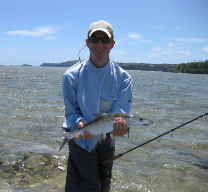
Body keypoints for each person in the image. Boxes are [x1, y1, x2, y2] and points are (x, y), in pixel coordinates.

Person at [61, 20, 132, 192]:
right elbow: (71, 114)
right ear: (87, 43)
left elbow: (120, 115)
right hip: (80, 137)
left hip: (106, 138)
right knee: (85, 187)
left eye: (105, 40)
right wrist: (79, 122)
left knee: (104, 183)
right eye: (95, 39)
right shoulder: (71, 76)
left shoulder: (124, 79)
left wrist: (120, 128)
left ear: (112, 44)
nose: (99, 44)